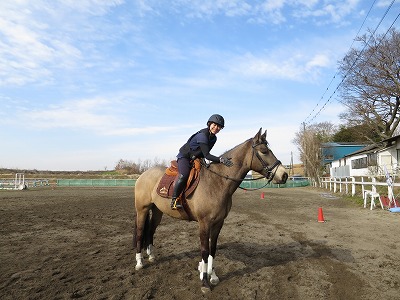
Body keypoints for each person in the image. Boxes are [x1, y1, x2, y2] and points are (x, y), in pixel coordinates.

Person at [171, 114, 233, 210]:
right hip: (185, 157)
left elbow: (204, 154)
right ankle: (174, 200)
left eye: (219, 127)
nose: (216, 128)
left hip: (196, 158)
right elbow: (207, 155)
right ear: (209, 124)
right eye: (214, 125)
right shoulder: (202, 136)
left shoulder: (214, 138)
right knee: (184, 174)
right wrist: (221, 160)